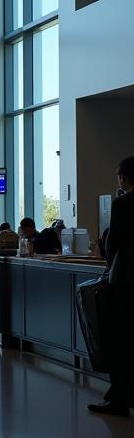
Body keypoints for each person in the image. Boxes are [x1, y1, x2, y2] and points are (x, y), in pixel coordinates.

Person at [89, 156, 134, 416]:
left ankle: (118, 398)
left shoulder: (123, 204)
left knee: (120, 337)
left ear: (124, 178)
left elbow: (112, 243)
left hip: (126, 277)